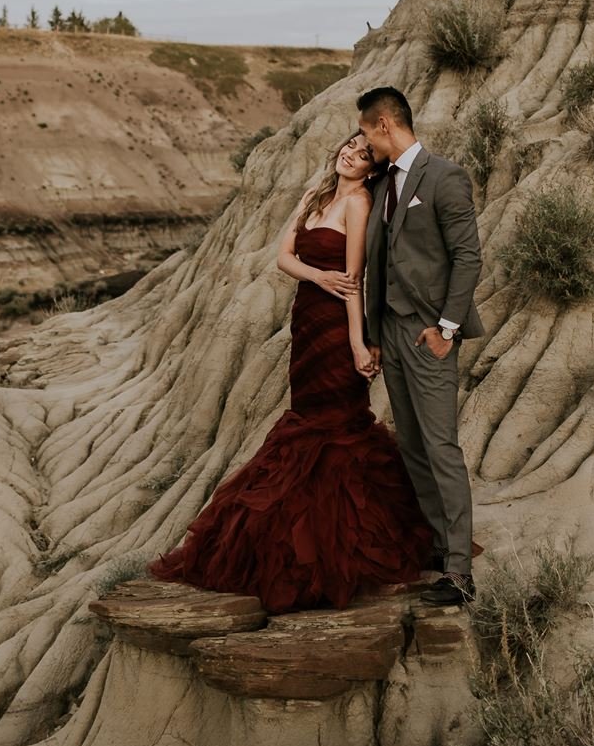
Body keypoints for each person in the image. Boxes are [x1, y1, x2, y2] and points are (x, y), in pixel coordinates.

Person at [144, 129, 438, 613]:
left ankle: (336, 549)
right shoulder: (315, 194)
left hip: (335, 328)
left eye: (364, 154)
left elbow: (354, 282)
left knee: (338, 428)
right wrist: (316, 274)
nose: (351, 154)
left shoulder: (359, 205)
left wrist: (357, 343)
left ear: (371, 168)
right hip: (306, 321)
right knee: (306, 423)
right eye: (349, 146)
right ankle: (295, 545)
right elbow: (284, 259)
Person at [357, 85, 484, 607]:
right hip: (390, 330)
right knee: (410, 444)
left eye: (367, 131)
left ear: (385, 124)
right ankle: (439, 545)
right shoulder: (383, 182)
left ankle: (460, 573)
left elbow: (467, 258)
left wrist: (446, 327)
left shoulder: (444, 176)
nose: (366, 143)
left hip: (429, 332)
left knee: (441, 446)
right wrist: (374, 331)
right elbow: (382, 258)